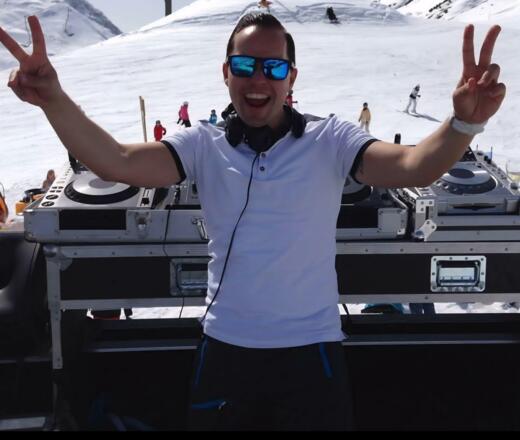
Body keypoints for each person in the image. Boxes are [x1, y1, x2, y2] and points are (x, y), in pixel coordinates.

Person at [0, 12, 505, 430]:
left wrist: (465, 123)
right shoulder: (202, 144)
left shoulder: (331, 140)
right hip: (227, 352)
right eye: (245, 65)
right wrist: (53, 99)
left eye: (273, 67)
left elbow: (414, 166)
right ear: (226, 73)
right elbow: (117, 161)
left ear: (291, 78)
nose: (258, 79)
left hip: (312, 354)